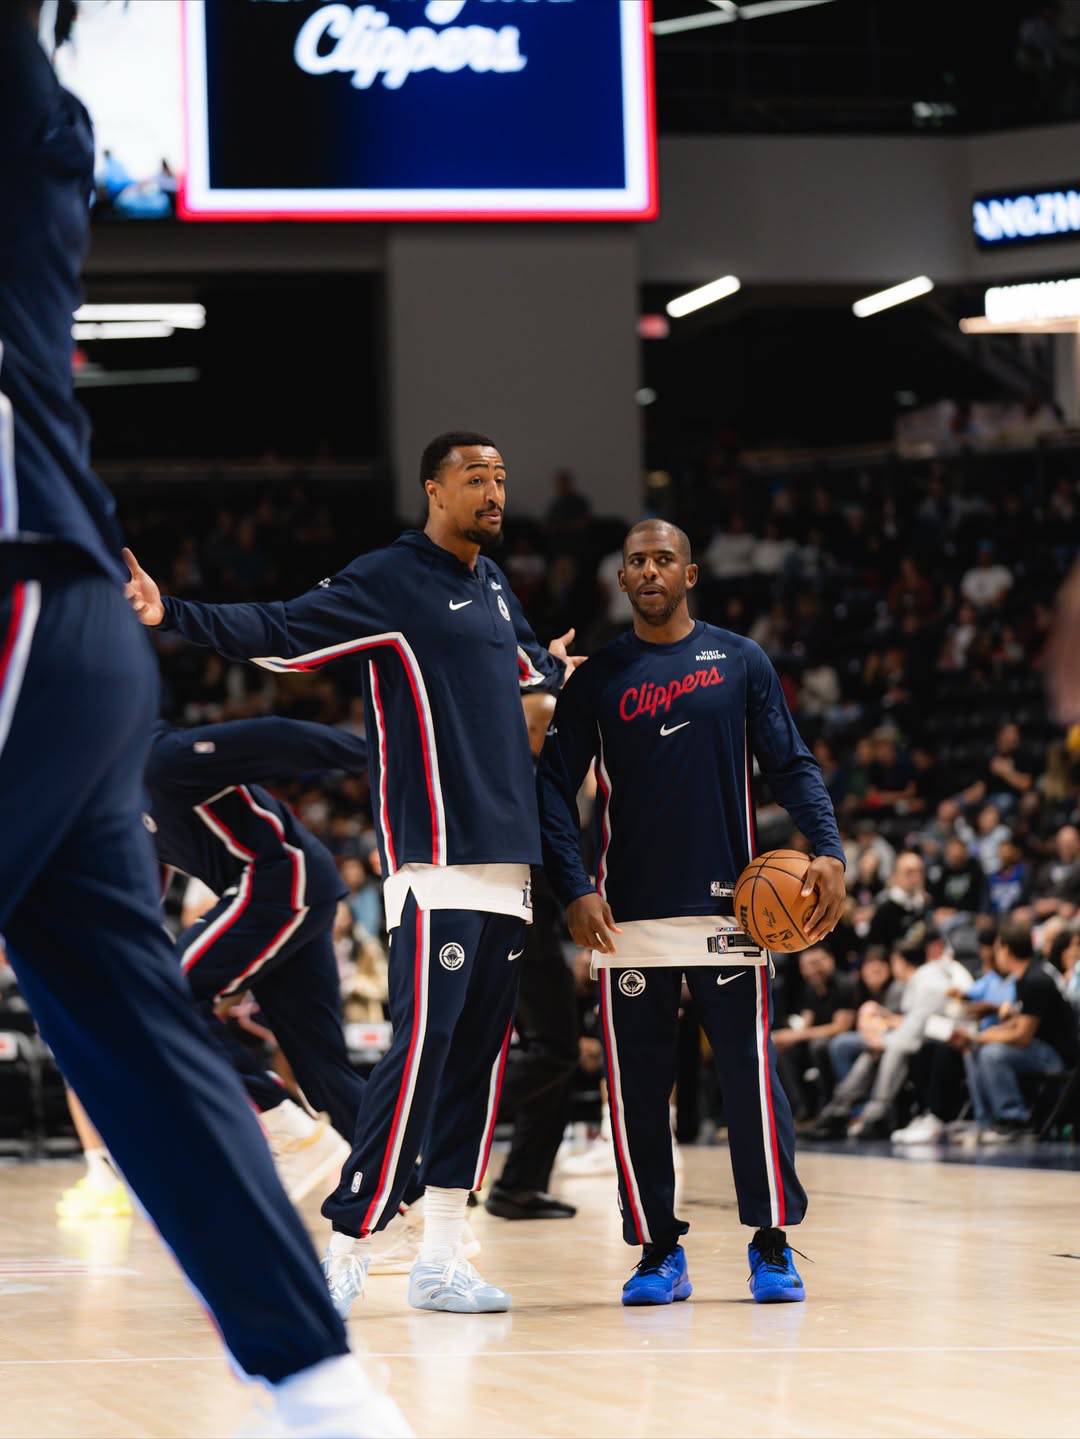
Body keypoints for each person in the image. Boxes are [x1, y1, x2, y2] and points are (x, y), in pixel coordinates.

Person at [0, 9, 407, 1434]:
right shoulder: (41, 151)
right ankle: (321, 1387)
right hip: (76, 641)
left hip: (21, 598)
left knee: (150, 1022)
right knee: (136, 1031)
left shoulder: (25, 139)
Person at [124, 430, 579, 1318]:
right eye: (475, 477)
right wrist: (169, 610)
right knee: (417, 1060)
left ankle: (441, 1259)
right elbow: (282, 629)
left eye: (500, 477)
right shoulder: (390, 578)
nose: (493, 491)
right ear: (433, 490)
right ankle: (347, 1246)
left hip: (510, 861)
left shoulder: (494, 583)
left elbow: (529, 669)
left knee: (477, 1069)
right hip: (436, 858)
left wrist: (563, 666)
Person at [536, 519, 847, 1306]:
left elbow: (789, 763)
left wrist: (829, 847)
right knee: (637, 1092)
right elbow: (553, 786)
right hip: (626, 917)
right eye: (636, 561)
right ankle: (657, 1251)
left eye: (663, 559)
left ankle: (771, 1243)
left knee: (750, 1082)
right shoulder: (599, 675)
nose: (649, 570)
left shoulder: (739, 660)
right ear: (622, 578)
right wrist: (573, 886)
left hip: (732, 913)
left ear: (690, 573)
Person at [145, 715, 375, 1200]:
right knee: (322, 1068)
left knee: (166, 996)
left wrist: (383, 752)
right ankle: (412, 1201)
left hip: (278, 878)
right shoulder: (110, 797)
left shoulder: (161, 758)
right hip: (290, 891)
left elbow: (280, 736)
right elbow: (144, 887)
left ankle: (291, 1132)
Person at [485, 690, 579, 1222]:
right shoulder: (520, 773)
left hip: (529, 917)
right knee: (556, 1050)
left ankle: (520, 1186)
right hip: (521, 916)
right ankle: (445, 1113)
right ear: (536, 731)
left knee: (554, 1054)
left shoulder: (515, 767)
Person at [957, 920, 1080, 1141]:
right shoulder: (1023, 979)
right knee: (973, 1048)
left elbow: (1023, 1036)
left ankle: (1014, 1120)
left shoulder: (1036, 980)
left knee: (992, 1054)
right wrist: (978, 1037)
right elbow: (1018, 1022)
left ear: (1005, 950)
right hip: (1038, 1047)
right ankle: (985, 1121)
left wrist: (984, 1037)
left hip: (1058, 1055)